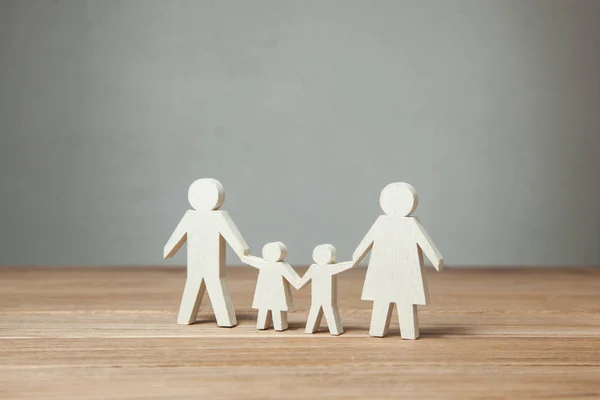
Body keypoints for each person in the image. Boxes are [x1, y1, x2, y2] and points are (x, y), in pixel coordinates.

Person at [352, 182, 443, 339]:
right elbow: (366, 242)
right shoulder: (382, 222)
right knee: (383, 300)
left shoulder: (410, 224)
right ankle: (378, 330)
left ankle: (407, 332)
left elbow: (426, 243)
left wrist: (436, 260)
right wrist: (356, 257)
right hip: (384, 272)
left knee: (404, 301)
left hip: (404, 273)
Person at [163, 178, 249, 327]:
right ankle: (190, 318)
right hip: (196, 262)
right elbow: (177, 236)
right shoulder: (191, 216)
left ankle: (224, 320)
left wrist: (243, 252)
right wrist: (169, 250)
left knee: (214, 284)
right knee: (196, 285)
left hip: (211, 263)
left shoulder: (218, 217)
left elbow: (233, 237)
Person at [243, 242, 301, 331]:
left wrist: (301, 283)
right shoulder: (266, 264)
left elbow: (295, 280)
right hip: (267, 294)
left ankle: (276, 326)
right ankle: (265, 325)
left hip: (275, 295)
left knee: (274, 310)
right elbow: (296, 281)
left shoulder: (280, 266)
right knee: (265, 309)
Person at [299, 244, 353, 336]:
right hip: (319, 297)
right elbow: (303, 281)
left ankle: (332, 330)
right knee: (320, 310)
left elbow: (301, 282)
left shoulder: (326, 268)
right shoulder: (315, 268)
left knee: (326, 309)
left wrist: (353, 263)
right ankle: (329, 330)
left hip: (326, 297)